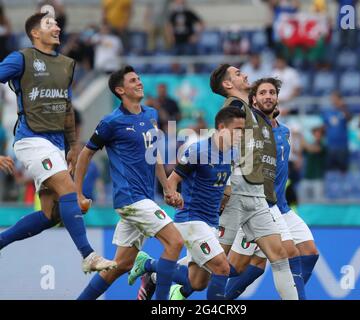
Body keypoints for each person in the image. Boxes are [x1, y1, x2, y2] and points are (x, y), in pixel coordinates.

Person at [0, 12, 115, 273]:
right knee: (69, 191)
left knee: (51, 215)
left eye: (57, 23)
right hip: (31, 139)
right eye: (49, 24)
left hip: (56, 144)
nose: (57, 27)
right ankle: (88, 255)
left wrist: (72, 146)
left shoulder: (65, 64)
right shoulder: (21, 58)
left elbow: (66, 107)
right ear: (35, 33)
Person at [75, 65, 184, 300]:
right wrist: (78, 194)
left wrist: (167, 188)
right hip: (131, 199)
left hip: (144, 198)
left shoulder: (151, 114)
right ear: (120, 90)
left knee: (120, 266)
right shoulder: (111, 122)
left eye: (139, 78)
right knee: (175, 242)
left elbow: (154, 154)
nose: (139, 82)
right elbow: (85, 154)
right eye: (133, 80)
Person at [128, 107, 246, 300]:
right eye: (237, 129)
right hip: (192, 220)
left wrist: (227, 197)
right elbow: (173, 180)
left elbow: (223, 184)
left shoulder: (231, 153)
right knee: (223, 268)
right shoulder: (198, 150)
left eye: (243, 129)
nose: (241, 134)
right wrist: (172, 194)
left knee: (197, 283)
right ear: (222, 127)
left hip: (211, 222)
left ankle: (149, 265)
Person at [207, 64, 298, 300]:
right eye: (238, 73)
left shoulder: (247, 109)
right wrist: (225, 187)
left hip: (257, 195)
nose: (245, 74)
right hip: (236, 191)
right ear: (228, 85)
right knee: (211, 268)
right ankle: (154, 271)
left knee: (280, 255)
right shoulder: (235, 107)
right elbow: (221, 144)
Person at [226, 78, 319, 300]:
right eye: (263, 93)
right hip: (256, 205)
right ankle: (184, 282)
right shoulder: (252, 126)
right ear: (254, 100)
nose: (268, 96)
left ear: (277, 98)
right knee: (235, 267)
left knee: (308, 253)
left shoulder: (284, 132)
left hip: (280, 206)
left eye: (272, 93)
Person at [322, 91, 351, 172]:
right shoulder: (327, 112)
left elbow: (349, 118)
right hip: (331, 145)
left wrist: (343, 107)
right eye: (332, 99)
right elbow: (325, 127)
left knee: (343, 170)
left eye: (335, 99)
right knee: (330, 170)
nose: (333, 100)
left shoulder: (344, 111)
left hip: (342, 146)